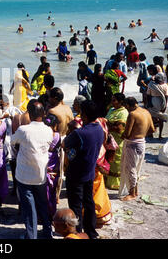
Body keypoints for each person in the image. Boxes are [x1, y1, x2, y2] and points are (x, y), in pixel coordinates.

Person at [11, 100, 53, 239]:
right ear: (43, 113)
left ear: (29, 113)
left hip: (24, 175)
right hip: (40, 174)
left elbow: (12, 141)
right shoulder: (48, 130)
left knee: (29, 209)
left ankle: (31, 235)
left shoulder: (24, 130)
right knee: (42, 204)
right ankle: (47, 232)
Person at [62, 100, 104, 239]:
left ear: (84, 115)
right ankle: (91, 232)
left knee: (76, 206)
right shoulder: (99, 129)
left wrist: (70, 131)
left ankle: (77, 233)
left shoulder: (79, 133)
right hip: (90, 172)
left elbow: (64, 144)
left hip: (76, 174)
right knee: (89, 202)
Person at [120, 97, 155, 201]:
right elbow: (152, 129)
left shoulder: (132, 114)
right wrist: (141, 134)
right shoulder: (146, 112)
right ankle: (135, 190)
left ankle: (132, 193)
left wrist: (120, 135)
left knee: (130, 168)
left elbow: (127, 133)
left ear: (128, 105)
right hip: (142, 143)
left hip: (132, 144)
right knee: (136, 168)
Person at [105, 93, 129, 190]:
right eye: (112, 100)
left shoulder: (123, 113)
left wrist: (109, 126)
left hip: (118, 141)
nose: (112, 102)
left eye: (114, 100)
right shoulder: (111, 109)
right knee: (108, 159)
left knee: (116, 161)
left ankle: (116, 183)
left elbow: (119, 129)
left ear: (120, 102)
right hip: (108, 140)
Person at [43, 114, 63, 219]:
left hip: (44, 160)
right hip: (54, 162)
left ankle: (43, 214)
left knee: (43, 190)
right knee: (52, 190)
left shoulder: (42, 135)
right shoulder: (57, 135)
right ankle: (52, 212)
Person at [146, 72, 168, 139]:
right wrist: (165, 105)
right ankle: (160, 135)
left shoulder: (151, 84)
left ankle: (151, 134)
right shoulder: (165, 85)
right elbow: (166, 96)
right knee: (161, 119)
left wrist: (149, 104)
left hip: (154, 102)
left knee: (152, 119)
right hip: (163, 103)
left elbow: (148, 95)